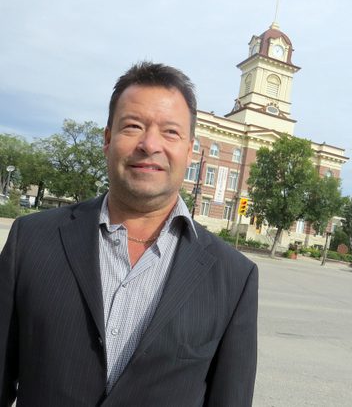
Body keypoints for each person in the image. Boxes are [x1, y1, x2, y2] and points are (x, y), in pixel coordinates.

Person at [0, 62, 258, 406]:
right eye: (133, 126)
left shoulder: (234, 276)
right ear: (108, 139)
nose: (150, 144)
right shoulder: (30, 241)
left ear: (190, 149)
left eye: (170, 132)